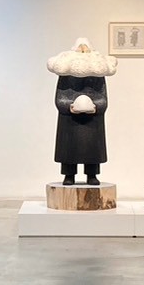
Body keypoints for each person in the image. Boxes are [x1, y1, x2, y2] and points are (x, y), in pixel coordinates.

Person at [47, 37, 117, 185]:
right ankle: (69, 175)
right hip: (69, 120)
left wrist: (95, 106)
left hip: (92, 120)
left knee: (92, 150)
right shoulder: (65, 76)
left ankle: (92, 175)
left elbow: (103, 99)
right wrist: (70, 106)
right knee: (69, 150)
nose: (83, 52)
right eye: (80, 49)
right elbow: (60, 98)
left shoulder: (97, 76)